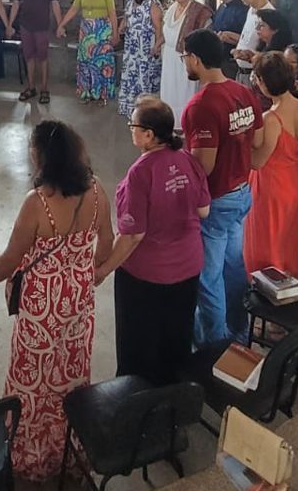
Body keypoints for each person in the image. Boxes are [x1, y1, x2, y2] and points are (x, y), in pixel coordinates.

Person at [0, 122, 110, 483]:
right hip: (79, 299)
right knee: (71, 372)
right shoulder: (98, 190)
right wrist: (84, 271)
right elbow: (106, 244)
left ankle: (29, 453)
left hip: (42, 307)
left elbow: (11, 259)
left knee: (33, 377)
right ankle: (68, 445)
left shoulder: (37, 204)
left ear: (41, 158)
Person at [95, 98, 210, 384]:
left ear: (148, 134)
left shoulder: (141, 172)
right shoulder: (187, 160)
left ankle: (137, 398)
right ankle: (174, 396)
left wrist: (104, 269)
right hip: (188, 267)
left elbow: (133, 234)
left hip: (147, 276)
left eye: (133, 125)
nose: (130, 129)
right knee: (176, 339)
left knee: (138, 347)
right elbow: (203, 210)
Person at [179, 29, 264, 348]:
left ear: (195, 59)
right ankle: (238, 333)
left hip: (216, 200)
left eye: (185, 57)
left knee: (209, 277)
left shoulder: (202, 105)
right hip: (241, 191)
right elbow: (257, 140)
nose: (185, 62)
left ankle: (213, 347)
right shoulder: (244, 93)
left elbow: (204, 166)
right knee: (234, 267)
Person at [245, 53, 298, 280]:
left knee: (266, 244)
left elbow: (257, 161)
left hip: (272, 187)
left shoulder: (271, 119)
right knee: (289, 242)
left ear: (262, 82)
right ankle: (289, 286)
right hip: (297, 182)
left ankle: (265, 288)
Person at [57, 0, 118, 102]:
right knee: (86, 61)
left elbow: (112, 13)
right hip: (86, 31)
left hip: (102, 30)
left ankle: (102, 93)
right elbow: (74, 9)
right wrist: (62, 24)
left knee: (102, 62)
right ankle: (87, 92)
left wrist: (115, 33)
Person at [159, 0, 213, 126]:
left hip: (185, 58)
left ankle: (185, 124)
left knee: (184, 91)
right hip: (169, 56)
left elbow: (204, 36)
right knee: (169, 90)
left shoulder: (198, 12)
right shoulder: (172, 8)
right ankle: (170, 123)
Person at [10, 0, 63, 104]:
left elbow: (54, 2)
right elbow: (16, 3)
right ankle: (31, 86)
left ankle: (44, 88)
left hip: (42, 25)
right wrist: (9, 23)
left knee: (43, 57)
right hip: (26, 24)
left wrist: (60, 24)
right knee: (29, 56)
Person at [116, 0, 164, 118]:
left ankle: (144, 110)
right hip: (131, 45)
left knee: (144, 76)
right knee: (130, 73)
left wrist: (157, 46)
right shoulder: (130, 0)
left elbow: (158, 27)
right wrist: (121, 27)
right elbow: (126, 16)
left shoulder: (153, 4)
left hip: (146, 45)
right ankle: (129, 106)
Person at [230, 0, 271, 82]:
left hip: (256, 74)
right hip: (241, 72)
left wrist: (250, 56)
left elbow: (272, 51)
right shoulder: (251, 10)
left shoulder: (270, 15)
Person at [211, 0, 249, 78]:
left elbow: (246, 39)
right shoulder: (221, 7)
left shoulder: (242, 10)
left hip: (232, 61)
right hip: (217, 58)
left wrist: (228, 36)